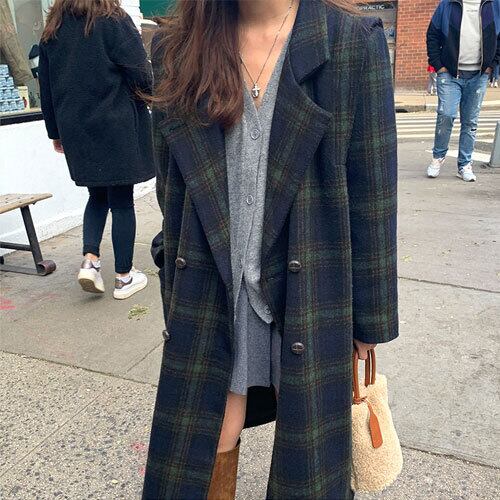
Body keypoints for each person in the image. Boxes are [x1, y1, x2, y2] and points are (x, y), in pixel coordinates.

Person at [143, 0, 398, 499]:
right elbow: (171, 189)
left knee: (307, 458)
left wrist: (369, 324)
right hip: (215, 285)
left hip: (311, 284)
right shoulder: (178, 46)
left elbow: (374, 195)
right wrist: (173, 286)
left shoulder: (350, 43)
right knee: (206, 440)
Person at [38, 0, 154, 299]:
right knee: (122, 201)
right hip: (116, 124)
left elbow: (46, 88)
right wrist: (151, 98)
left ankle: (90, 260)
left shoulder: (53, 29)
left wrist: (55, 132)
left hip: (76, 128)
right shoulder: (113, 20)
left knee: (97, 195)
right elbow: (140, 72)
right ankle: (124, 277)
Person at [426, 0, 500, 182]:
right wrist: (438, 65)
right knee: (446, 115)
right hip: (450, 73)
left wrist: (492, 65)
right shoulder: (448, 4)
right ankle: (438, 157)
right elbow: (432, 34)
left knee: (470, 121)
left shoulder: (493, 5)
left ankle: (464, 164)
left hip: (479, 74)